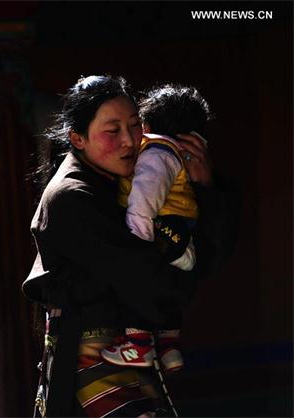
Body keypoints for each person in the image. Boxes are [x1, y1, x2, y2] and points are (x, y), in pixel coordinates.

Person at [23, 75, 233, 417]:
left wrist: (204, 187)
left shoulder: (131, 184)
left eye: (135, 125)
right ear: (77, 138)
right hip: (93, 361)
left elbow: (202, 261)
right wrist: (182, 269)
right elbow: (150, 282)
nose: (130, 141)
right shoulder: (72, 199)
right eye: (113, 130)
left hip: (130, 358)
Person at [101, 84, 213, 372]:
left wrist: (135, 241)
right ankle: (168, 347)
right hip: (178, 232)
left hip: (159, 230)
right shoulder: (181, 157)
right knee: (168, 290)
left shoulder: (157, 153)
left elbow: (144, 199)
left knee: (137, 284)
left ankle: (138, 347)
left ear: (148, 125)